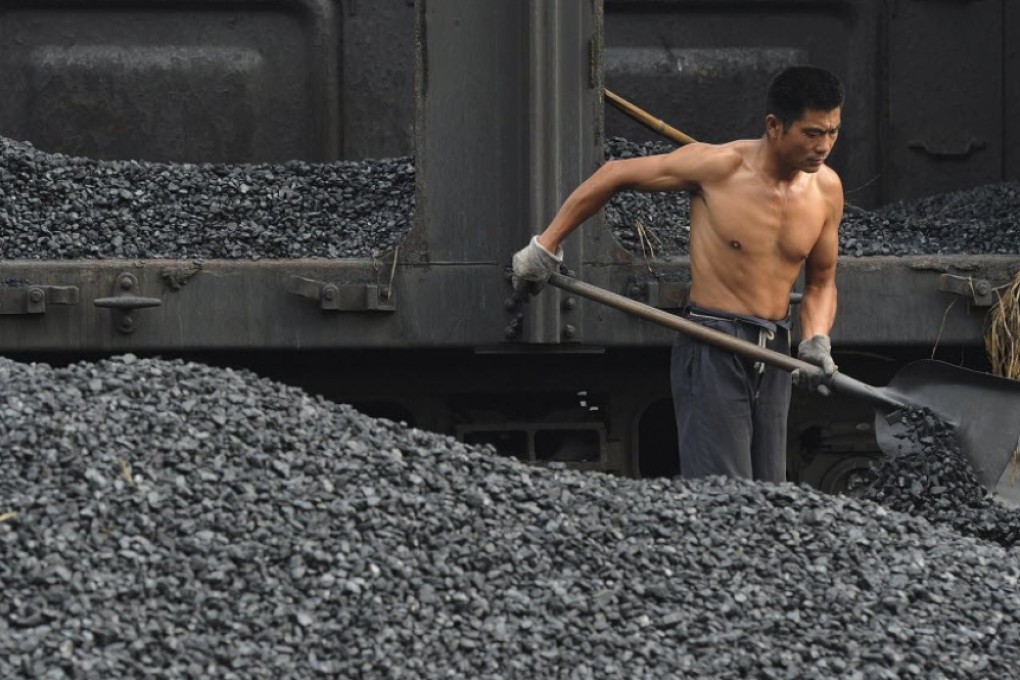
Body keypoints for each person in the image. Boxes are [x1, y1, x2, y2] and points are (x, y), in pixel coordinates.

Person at [511, 65, 845, 483]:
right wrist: (546, 246)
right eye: (813, 133)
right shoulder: (719, 168)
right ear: (775, 126)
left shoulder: (827, 189)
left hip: (775, 351)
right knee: (724, 493)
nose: (824, 146)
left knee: (771, 494)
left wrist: (816, 338)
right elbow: (614, 175)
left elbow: (820, 282)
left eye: (832, 132)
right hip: (714, 344)